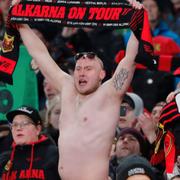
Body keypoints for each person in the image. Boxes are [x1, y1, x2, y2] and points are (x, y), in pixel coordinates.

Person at [12, 0, 143, 179]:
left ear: (102, 74)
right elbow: (39, 53)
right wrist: (20, 22)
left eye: (88, 69)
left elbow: (131, 58)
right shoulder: (67, 88)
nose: (82, 73)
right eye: (79, 68)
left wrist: (138, 18)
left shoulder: (110, 93)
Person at [0, 105, 60, 180]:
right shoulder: (4, 159)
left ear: (38, 129)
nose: (18, 128)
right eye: (14, 124)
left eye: (24, 123)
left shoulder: (55, 155)